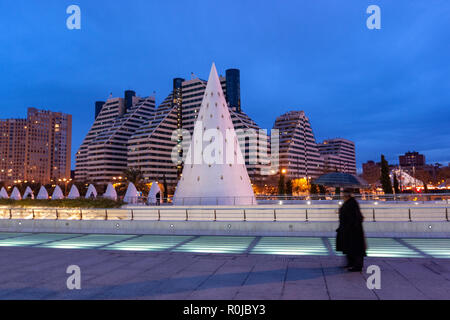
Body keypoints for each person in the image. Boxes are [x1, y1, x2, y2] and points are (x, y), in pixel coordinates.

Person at [336, 188, 367, 272]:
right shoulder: (348, 202)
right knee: (349, 247)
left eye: (343, 194)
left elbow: (355, 217)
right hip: (348, 229)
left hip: (353, 230)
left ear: (347, 195)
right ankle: (351, 263)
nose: (342, 196)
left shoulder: (352, 203)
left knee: (355, 248)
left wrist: (351, 226)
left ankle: (357, 266)